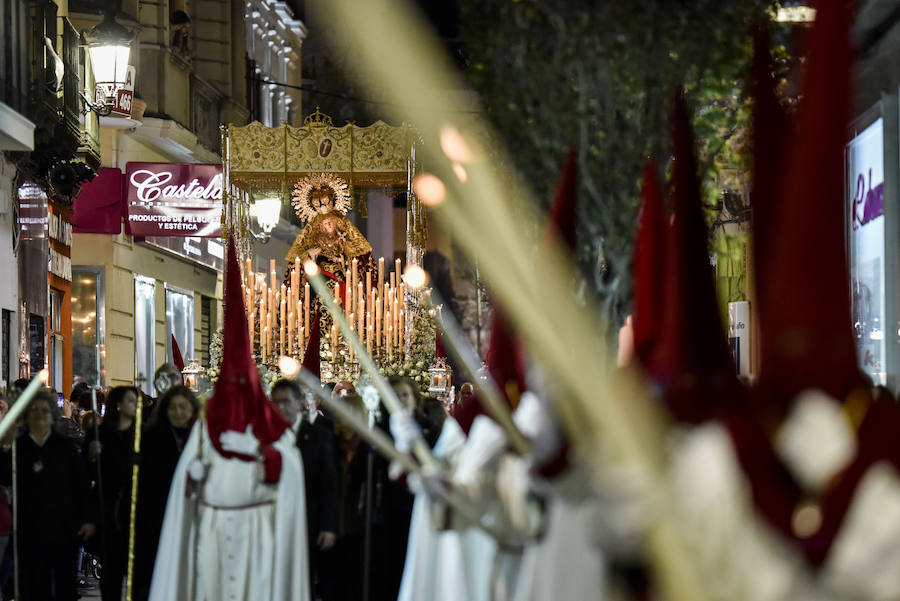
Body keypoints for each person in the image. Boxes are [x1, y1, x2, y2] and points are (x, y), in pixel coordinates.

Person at [149, 237, 309, 601]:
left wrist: (262, 453)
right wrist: (192, 481)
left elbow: (292, 472)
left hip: (258, 530)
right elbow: (183, 495)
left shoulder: (268, 429)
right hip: (212, 527)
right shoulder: (206, 427)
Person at [0, 390, 96, 600]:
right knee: (31, 585)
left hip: (62, 527)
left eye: (45, 411)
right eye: (34, 410)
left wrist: (88, 519)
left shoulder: (65, 447)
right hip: (28, 526)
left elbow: (80, 485)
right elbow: (6, 477)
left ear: (52, 415)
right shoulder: (18, 449)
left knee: (63, 584)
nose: (40, 415)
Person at [272, 379, 338, 601]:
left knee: (304, 577)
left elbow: (329, 483)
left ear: (300, 402)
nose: (281, 407)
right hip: (274, 518)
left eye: (286, 401)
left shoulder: (318, 435)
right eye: (277, 402)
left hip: (309, 518)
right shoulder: (267, 436)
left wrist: (329, 526)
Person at [133, 385, 199, 601]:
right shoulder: (151, 437)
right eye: (173, 407)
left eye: (183, 407)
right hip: (156, 513)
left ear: (192, 409)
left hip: (191, 512)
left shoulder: (200, 438)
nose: (178, 412)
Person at [87, 386, 138, 601]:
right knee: (111, 571)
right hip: (108, 508)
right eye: (130, 401)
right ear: (118, 404)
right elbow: (86, 473)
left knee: (137, 570)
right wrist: (91, 456)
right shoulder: (100, 434)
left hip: (135, 508)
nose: (135, 405)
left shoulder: (141, 434)